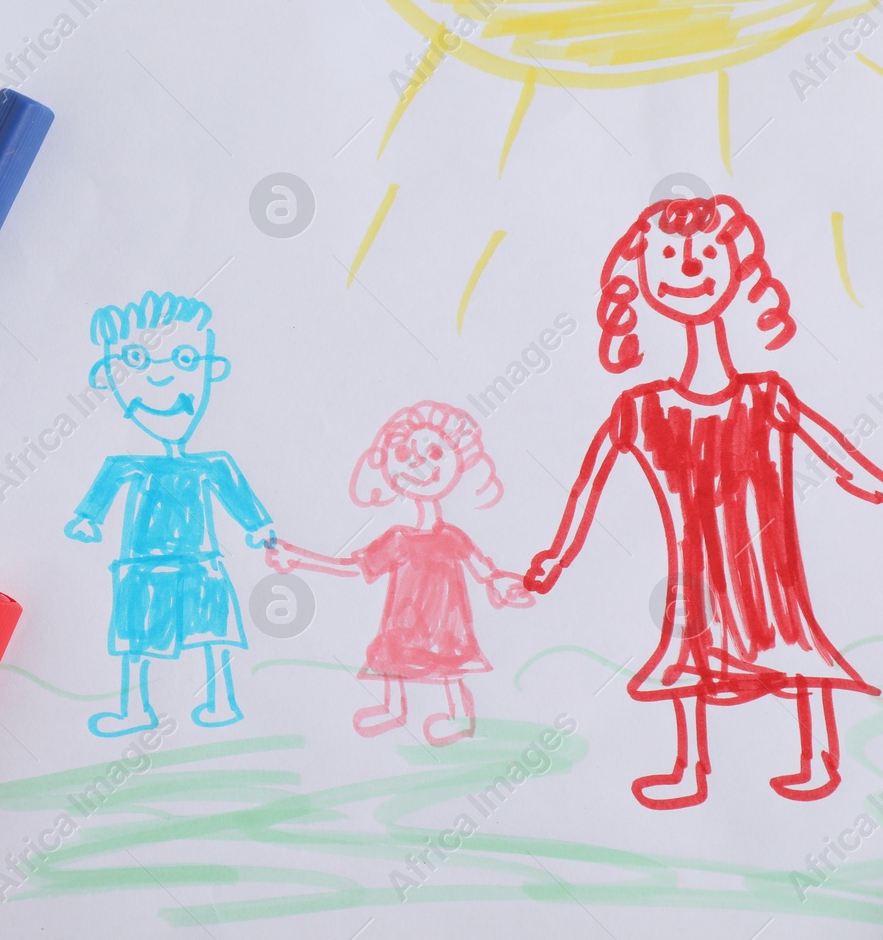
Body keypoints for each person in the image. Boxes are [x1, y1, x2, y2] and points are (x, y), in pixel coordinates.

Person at [526, 193, 883, 809]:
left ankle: (819, 758)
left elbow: (840, 455)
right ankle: (691, 768)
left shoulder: (769, 395)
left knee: (792, 639)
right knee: (690, 649)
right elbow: (589, 488)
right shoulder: (640, 409)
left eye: (707, 252)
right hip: (695, 576)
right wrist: (555, 558)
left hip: (769, 566)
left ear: (737, 266)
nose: (689, 267)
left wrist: (872, 484)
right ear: (640, 277)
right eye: (668, 255)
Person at [66, 291, 273, 737]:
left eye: (184, 359)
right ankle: (137, 709)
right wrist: (88, 519)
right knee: (137, 638)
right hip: (142, 566)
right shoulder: (127, 464)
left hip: (201, 562)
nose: (161, 378)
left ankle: (221, 702)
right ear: (108, 377)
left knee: (213, 634)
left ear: (210, 371)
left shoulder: (211, 464)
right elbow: (101, 494)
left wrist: (259, 527)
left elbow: (237, 495)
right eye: (135, 362)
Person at [268, 401, 530, 747]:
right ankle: (394, 708)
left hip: (445, 626)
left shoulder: (452, 537)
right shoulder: (398, 540)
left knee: (449, 666)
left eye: (435, 452)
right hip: (404, 626)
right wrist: (299, 559)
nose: (419, 464)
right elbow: (353, 567)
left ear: (461, 462)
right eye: (405, 453)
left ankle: (461, 718)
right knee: (393, 656)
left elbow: (486, 573)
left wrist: (506, 586)